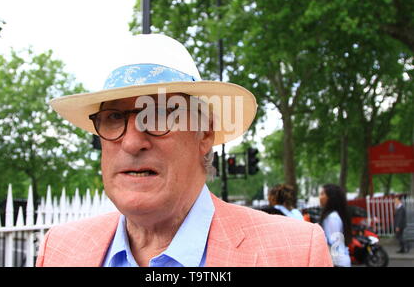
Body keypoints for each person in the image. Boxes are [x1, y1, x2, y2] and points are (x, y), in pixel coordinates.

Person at [36, 34, 332, 267]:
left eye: (160, 114)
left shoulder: (295, 253)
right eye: (114, 117)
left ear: (204, 134)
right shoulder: (59, 249)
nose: (131, 142)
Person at [319, 184, 352, 267]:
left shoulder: (332, 217)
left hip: (337, 262)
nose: (320, 197)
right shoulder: (333, 216)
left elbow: (333, 243)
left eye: (322, 194)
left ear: (330, 198)